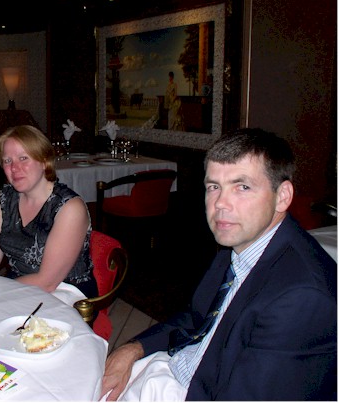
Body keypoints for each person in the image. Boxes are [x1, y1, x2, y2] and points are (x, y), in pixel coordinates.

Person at [100, 128, 336, 401]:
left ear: (282, 196)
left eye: (242, 187)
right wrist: (133, 349)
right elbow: (196, 316)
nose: (221, 204)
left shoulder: (301, 296)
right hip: (178, 366)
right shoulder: (238, 241)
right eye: (214, 187)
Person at [0, 125, 98, 300]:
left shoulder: (69, 207)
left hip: (64, 291)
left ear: (44, 161)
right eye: (7, 161)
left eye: (23, 158)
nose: (14, 168)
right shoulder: (4, 197)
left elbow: (47, 282)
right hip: (19, 284)